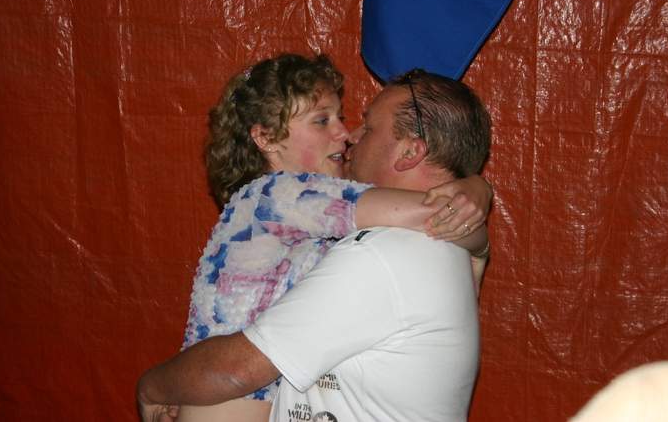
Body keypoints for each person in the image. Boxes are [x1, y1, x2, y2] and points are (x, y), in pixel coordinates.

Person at [140, 57, 492, 421]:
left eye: (364, 126)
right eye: (322, 121)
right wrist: (476, 197)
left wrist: (153, 387)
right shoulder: (275, 195)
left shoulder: (381, 251)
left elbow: (239, 369)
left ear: (410, 151)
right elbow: (442, 217)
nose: (347, 134)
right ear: (266, 138)